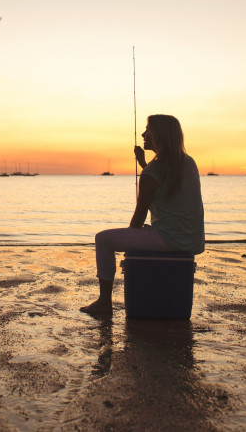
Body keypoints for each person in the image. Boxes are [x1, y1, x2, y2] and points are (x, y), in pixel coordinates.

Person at [81, 114, 204, 314]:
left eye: (148, 130)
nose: (143, 134)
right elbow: (164, 180)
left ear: (159, 135)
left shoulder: (153, 172)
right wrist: (144, 164)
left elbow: (138, 219)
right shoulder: (188, 163)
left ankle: (104, 302)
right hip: (190, 240)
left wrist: (133, 240)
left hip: (167, 240)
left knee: (102, 240)